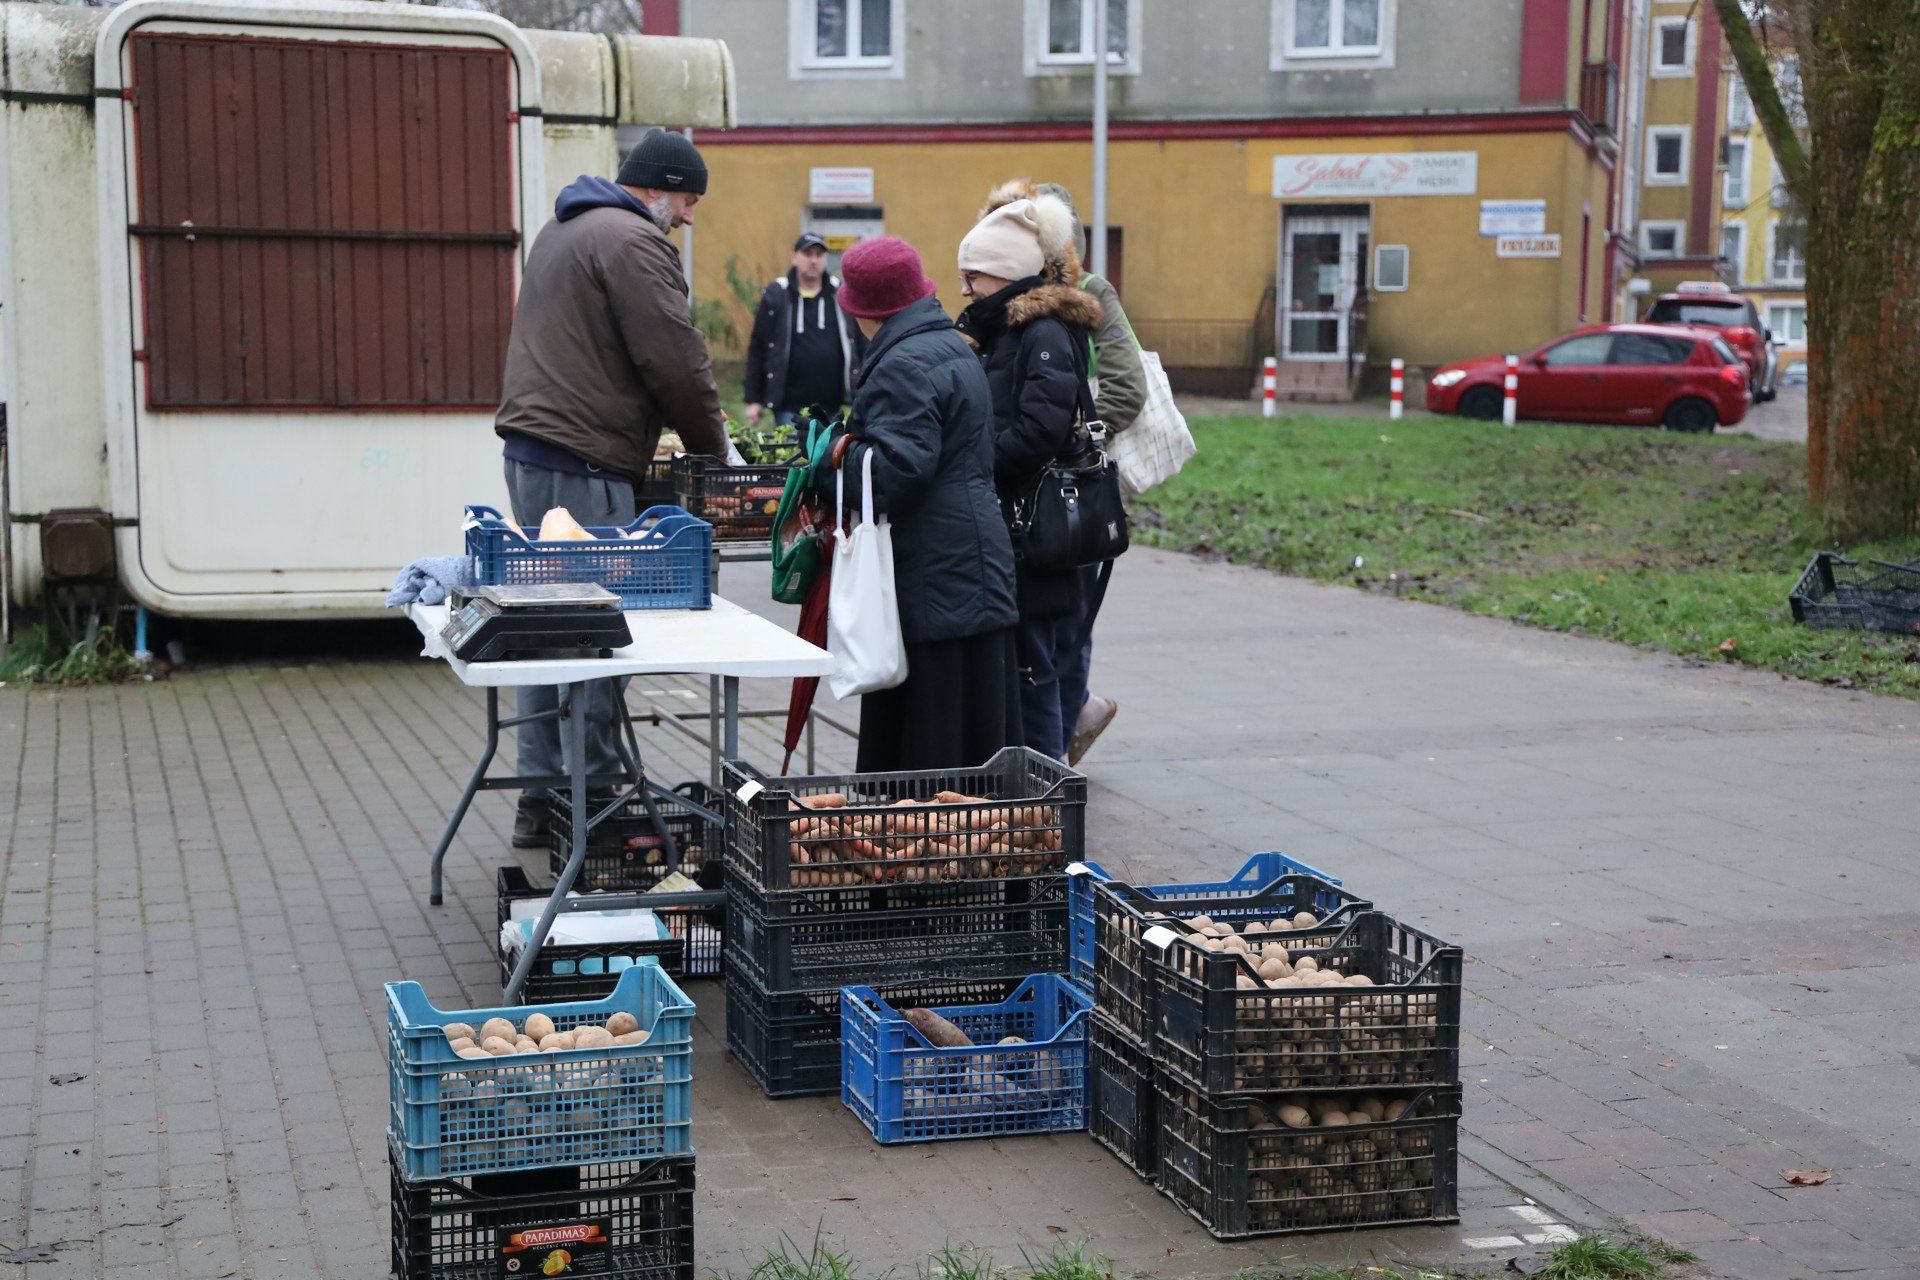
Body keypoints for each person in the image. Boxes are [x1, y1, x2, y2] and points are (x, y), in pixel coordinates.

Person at [493, 128, 732, 848]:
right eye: (688, 200)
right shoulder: (631, 241)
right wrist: (713, 447)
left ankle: (539, 798)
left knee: (546, 631)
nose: (688, 216)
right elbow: (674, 358)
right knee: (597, 636)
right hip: (584, 463)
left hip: (536, 452)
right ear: (658, 187)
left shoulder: (563, 228)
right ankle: (592, 802)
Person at [809, 236, 1021, 772]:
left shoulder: (903, 364)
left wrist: (835, 456)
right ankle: (979, 845)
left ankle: (922, 848)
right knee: (977, 734)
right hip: (970, 564)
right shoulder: (950, 345)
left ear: (865, 311)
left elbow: (898, 472)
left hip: (934, 573)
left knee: (931, 740)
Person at [953, 193, 1105, 763]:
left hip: (1036, 531)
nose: (966, 289)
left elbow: (1040, 429)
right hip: (1016, 525)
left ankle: (1046, 797)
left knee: (1035, 665)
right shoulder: (1003, 331)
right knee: (1026, 663)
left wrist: (974, 463)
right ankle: (1030, 788)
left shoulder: (1041, 334)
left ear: (1007, 274)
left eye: (975, 276)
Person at [999, 179, 1146, 765]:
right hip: (1024, 493)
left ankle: (1055, 753)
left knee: (1066, 626)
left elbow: (1127, 387)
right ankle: (1065, 729)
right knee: (1051, 625)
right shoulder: (1011, 293)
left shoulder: (1089, 292)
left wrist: (1076, 440)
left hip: (1067, 494)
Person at [744, 233, 867, 428]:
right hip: (788, 407)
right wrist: (753, 399)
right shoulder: (777, 295)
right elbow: (758, 347)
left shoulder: (841, 294)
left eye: (819, 254)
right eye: (808, 253)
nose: (813, 260)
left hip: (832, 406)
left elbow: (860, 344)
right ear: (795, 257)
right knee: (793, 457)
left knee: (828, 457)